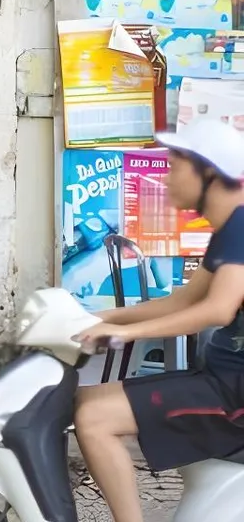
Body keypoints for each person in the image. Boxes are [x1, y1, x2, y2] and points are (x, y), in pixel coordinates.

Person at [73, 119, 244, 522]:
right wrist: (98, 316)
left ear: (208, 173)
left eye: (174, 166)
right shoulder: (228, 230)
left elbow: (217, 309)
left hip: (234, 398)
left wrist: (122, 332)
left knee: (94, 420)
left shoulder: (241, 227)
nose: (165, 177)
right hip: (221, 381)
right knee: (84, 400)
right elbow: (183, 300)